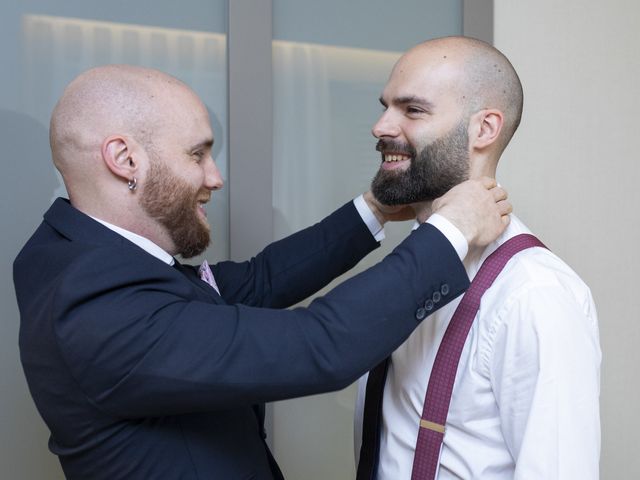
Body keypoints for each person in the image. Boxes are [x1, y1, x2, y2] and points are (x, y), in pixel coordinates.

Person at [13, 65, 510, 480]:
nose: (215, 177)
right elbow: (320, 345)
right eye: (196, 154)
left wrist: (374, 208)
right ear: (125, 160)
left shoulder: (70, 252)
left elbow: (255, 282)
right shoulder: (96, 303)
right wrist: (450, 232)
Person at [354, 36, 601, 479]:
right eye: (385, 106)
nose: (380, 126)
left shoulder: (534, 294)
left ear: (484, 129)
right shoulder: (406, 267)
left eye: (412, 110)